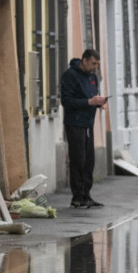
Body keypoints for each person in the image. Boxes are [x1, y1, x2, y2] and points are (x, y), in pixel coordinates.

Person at [60, 49, 108, 209]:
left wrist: (99, 102)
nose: (95, 67)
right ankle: (77, 197)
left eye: (97, 64)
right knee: (78, 160)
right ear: (85, 60)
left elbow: (92, 96)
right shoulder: (70, 75)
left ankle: (87, 195)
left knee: (89, 161)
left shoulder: (92, 78)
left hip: (88, 123)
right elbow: (66, 101)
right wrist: (88, 102)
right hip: (74, 123)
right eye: (93, 63)